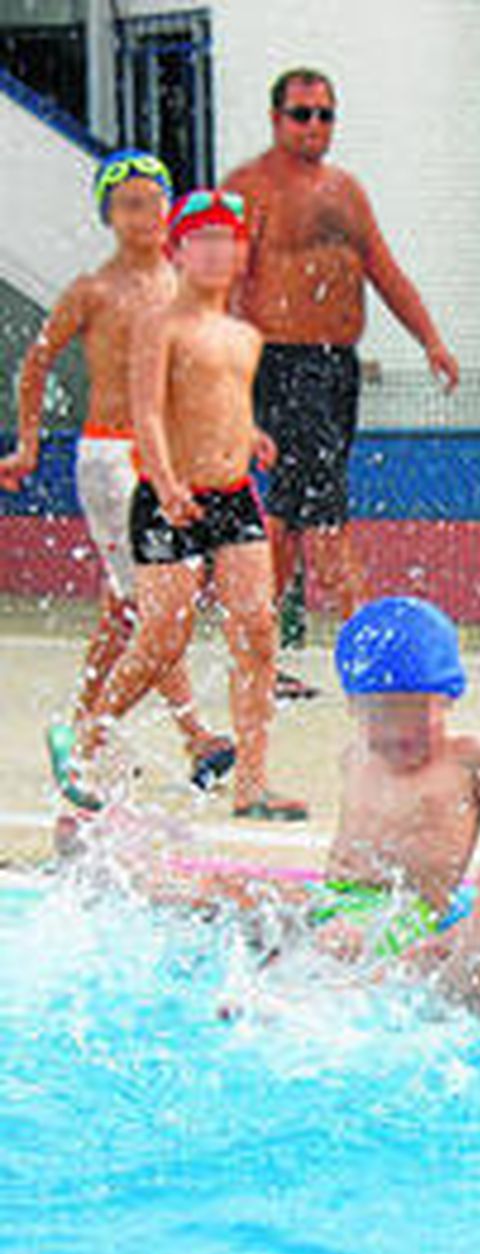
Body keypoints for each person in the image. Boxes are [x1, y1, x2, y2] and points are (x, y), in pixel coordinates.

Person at [142, 598, 480, 1008]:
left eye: (416, 713)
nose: (399, 730)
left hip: (406, 909)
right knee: (227, 890)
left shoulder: (471, 759)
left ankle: (297, 1000)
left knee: (339, 941)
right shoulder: (355, 755)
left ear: (449, 698)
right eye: (381, 713)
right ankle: (127, 880)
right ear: (352, 705)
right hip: (334, 897)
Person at [47, 189, 305, 820]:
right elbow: (148, 413)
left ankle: (252, 784)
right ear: (179, 252)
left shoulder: (243, 336)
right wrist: (164, 483)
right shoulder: (158, 326)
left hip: (233, 496)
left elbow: (219, 403)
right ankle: (85, 739)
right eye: (202, 240)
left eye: (227, 240)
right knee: (163, 636)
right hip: (169, 498)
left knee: (257, 629)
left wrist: (251, 436)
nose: (216, 252)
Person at [223, 67, 460, 699]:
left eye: (325, 114)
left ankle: (257, 655)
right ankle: (371, 652)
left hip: (336, 368)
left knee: (288, 517)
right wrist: (224, 376)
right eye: (302, 114)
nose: (314, 126)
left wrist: (430, 338)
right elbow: (221, 282)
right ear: (276, 119)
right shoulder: (250, 187)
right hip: (282, 363)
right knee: (322, 515)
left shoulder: (345, 190)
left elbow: (383, 268)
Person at [5, 150, 234, 795]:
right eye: (131, 204)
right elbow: (36, 363)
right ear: (109, 215)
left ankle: (84, 727)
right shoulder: (94, 290)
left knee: (127, 607)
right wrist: (28, 444)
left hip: (165, 458)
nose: (146, 215)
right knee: (157, 604)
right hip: (111, 461)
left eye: (156, 201)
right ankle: (193, 736)